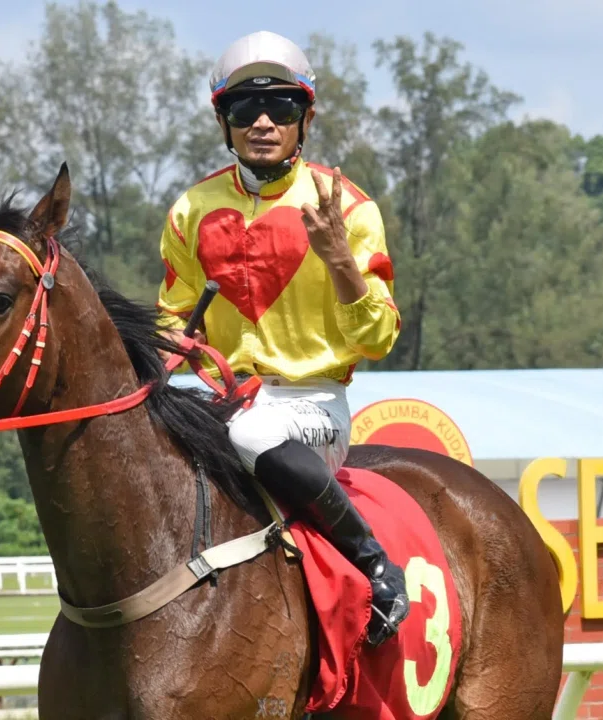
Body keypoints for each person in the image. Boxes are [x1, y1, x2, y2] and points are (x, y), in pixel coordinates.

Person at [155, 30, 408, 647]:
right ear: (224, 119)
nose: (263, 122)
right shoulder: (191, 209)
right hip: (221, 404)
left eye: (282, 108)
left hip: (310, 408)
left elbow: (378, 339)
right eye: (245, 109)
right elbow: (171, 321)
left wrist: (341, 261)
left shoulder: (348, 207)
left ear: (306, 117)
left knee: (246, 430)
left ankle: (374, 560)